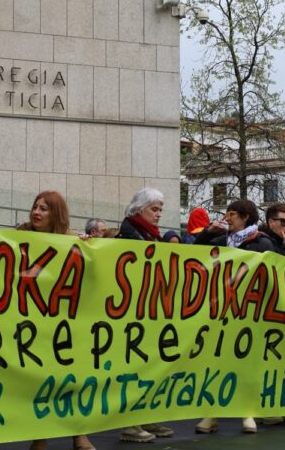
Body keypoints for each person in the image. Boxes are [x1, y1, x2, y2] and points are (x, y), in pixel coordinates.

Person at [16, 191, 96, 450]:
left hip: (67, 322)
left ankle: (78, 434)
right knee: (39, 380)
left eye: (44, 208)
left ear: (57, 214)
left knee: (72, 378)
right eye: (35, 207)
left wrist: (90, 246)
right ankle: (40, 437)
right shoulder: (21, 236)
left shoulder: (73, 241)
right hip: (34, 320)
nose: (36, 212)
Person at [193, 199, 273, 435]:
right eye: (226, 214)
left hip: (248, 312)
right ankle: (212, 413)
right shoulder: (219, 240)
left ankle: (247, 411)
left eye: (232, 214)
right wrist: (208, 233)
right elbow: (194, 252)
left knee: (245, 361)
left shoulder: (261, 242)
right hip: (220, 311)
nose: (227, 218)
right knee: (217, 360)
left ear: (245, 217)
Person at [115, 187, 175, 442]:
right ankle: (130, 423)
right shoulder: (128, 236)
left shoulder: (151, 236)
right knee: (133, 367)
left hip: (149, 313)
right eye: (154, 209)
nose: (159, 214)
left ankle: (146, 416)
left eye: (161, 209)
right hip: (130, 314)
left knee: (148, 367)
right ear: (140, 209)